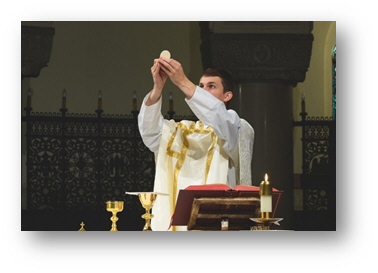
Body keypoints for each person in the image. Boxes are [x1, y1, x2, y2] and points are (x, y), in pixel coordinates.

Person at [138, 57, 254, 231]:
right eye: (201, 87)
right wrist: (157, 88)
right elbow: (150, 132)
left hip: (217, 225)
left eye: (211, 86)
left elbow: (219, 116)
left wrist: (183, 82)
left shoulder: (237, 128)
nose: (203, 91)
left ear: (227, 96)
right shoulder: (179, 131)